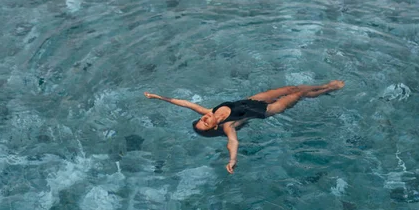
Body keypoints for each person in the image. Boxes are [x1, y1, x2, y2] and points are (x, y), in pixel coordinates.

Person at [144, 80, 344, 174]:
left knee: (292, 88)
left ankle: (324, 86)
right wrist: (232, 160)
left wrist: (158, 97)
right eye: (205, 123)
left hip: (252, 100)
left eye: (202, 119)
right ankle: (328, 89)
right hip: (267, 109)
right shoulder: (228, 126)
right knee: (298, 95)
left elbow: (185, 103)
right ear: (214, 128)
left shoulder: (208, 111)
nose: (205, 118)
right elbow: (233, 142)